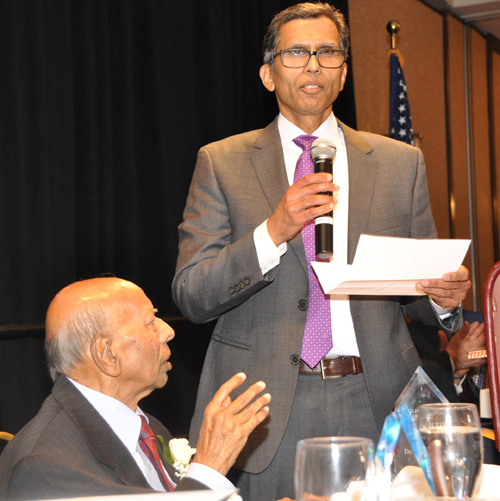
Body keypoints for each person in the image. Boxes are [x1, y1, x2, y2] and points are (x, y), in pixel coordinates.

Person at [172, 3, 471, 500]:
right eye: (296, 53)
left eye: (327, 52)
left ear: (344, 72)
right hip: (267, 410)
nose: (313, 65)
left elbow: (417, 296)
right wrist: (273, 230)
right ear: (268, 75)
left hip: (377, 400)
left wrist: (441, 296)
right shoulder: (221, 162)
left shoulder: (401, 164)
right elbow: (192, 293)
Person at [0, 277, 272, 500]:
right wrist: (210, 467)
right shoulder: (46, 463)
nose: (168, 331)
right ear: (107, 354)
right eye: (150, 322)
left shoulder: (145, 426)